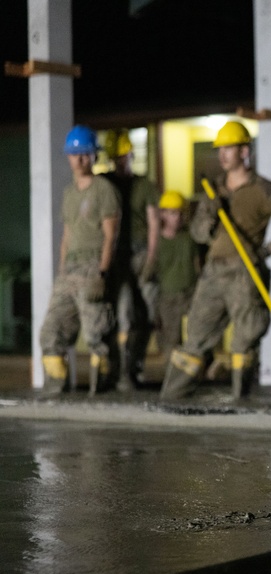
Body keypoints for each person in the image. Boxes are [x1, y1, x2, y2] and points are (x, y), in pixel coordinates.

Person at [160, 121, 271, 400]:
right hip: (214, 272)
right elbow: (198, 233)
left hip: (245, 271)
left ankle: (241, 399)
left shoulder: (262, 190)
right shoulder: (214, 190)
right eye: (220, 149)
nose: (223, 154)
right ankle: (172, 398)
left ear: (244, 151)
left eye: (229, 148)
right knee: (196, 335)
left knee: (245, 337)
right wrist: (210, 216)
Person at [39, 125, 122, 396]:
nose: (80, 159)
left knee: (96, 333)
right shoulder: (69, 193)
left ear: (93, 156)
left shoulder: (104, 190)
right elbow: (67, 234)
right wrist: (62, 269)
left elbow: (111, 234)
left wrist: (102, 270)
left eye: (85, 153)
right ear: (68, 157)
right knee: (51, 331)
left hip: (91, 266)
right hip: (70, 269)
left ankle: (102, 390)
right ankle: (56, 388)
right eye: (75, 154)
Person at [103, 130, 161, 390]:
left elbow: (153, 223)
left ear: (132, 156)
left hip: (139, 253)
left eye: (125, 157)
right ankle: (120, 371)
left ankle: (135, 365)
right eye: (117, 158)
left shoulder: (144, 185)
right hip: (117, 257)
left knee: (147, 312)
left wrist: (151, 258)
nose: (121, 162)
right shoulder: (106, 185)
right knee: (122, 313)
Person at [153, 191, 199, 358]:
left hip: (190, 293)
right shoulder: (156, 241)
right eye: (172, 213)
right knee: (170, 340)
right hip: (167, 296)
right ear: (163, 214)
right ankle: (172, 377)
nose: (177, 217)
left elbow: (197, 264)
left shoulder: (190, 238)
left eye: (180, 213)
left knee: (196, 336)